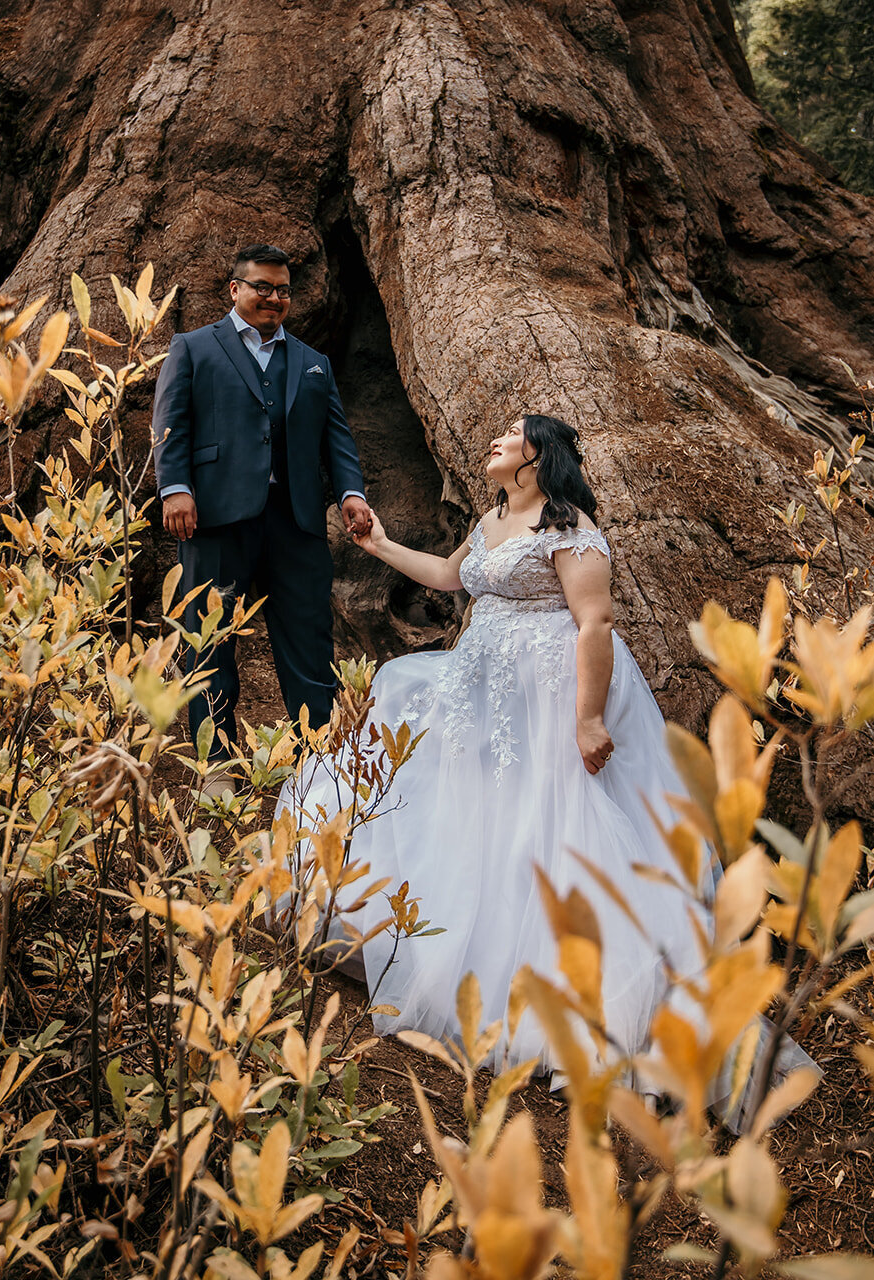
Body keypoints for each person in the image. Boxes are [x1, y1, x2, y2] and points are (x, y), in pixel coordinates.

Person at [289, 415, 780, 1093]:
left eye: (512, 432)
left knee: (550, 823)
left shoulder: (567, 526)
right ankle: (441, 954)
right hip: (482, 686)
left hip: (548, 692)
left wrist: (584, 719)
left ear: (537, 456)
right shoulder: (491, 519)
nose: (495, 438)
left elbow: (594, 621)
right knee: (468, 793)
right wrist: (378, 545)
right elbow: (446, 576)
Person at [152, 244, 371, 763]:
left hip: (295, 521)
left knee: (308, 639)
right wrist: (174, 488)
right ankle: (216, 766)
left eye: (283, 291)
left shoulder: (313, 363)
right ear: (236, 289)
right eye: (262, 288)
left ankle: (319, 762)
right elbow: (170, 425)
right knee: (209, 641)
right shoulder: (193, 347)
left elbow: (336, 438)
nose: (274, 298)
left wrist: (352, 493)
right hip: (214, 517)